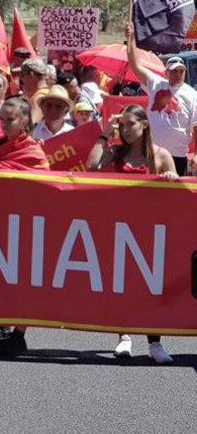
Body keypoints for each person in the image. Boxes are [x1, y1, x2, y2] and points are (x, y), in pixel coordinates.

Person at [87, 104, 178, 364]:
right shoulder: (115, 152)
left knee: (152, 286)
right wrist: (105, 133)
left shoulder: (160, 155)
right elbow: (92, 166)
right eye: (122, 125)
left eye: (130, 124)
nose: (125, 130)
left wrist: (171, 177)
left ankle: (155, 343)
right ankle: (124, 336)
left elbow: (177, 196)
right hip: (120, 227)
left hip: (151, 230)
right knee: (123, 283)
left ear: (144, 124)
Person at [0, 96, 49, 355]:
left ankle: (18, 335)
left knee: (20, 283)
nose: (4, 124)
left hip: (23, 225)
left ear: (24, 122)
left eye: (10, 120)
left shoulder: (32, 150)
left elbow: (42, 188)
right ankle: (1, 329)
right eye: (2, 119)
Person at [126, 22, 197, 177]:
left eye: (181, 71)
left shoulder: (192, 95)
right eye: (174, 71)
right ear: (167, 72)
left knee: (175, 198)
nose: (178, 74)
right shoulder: (156, 84)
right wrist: (131, 38)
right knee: (149, 194)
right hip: (152, 152)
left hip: (177, 155)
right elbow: (135, 64)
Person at [19, 58, 51, 124]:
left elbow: (32, 125)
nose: (21, 79)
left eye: (22, 75)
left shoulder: (38, 98)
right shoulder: (50, 92)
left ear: (31, 75)